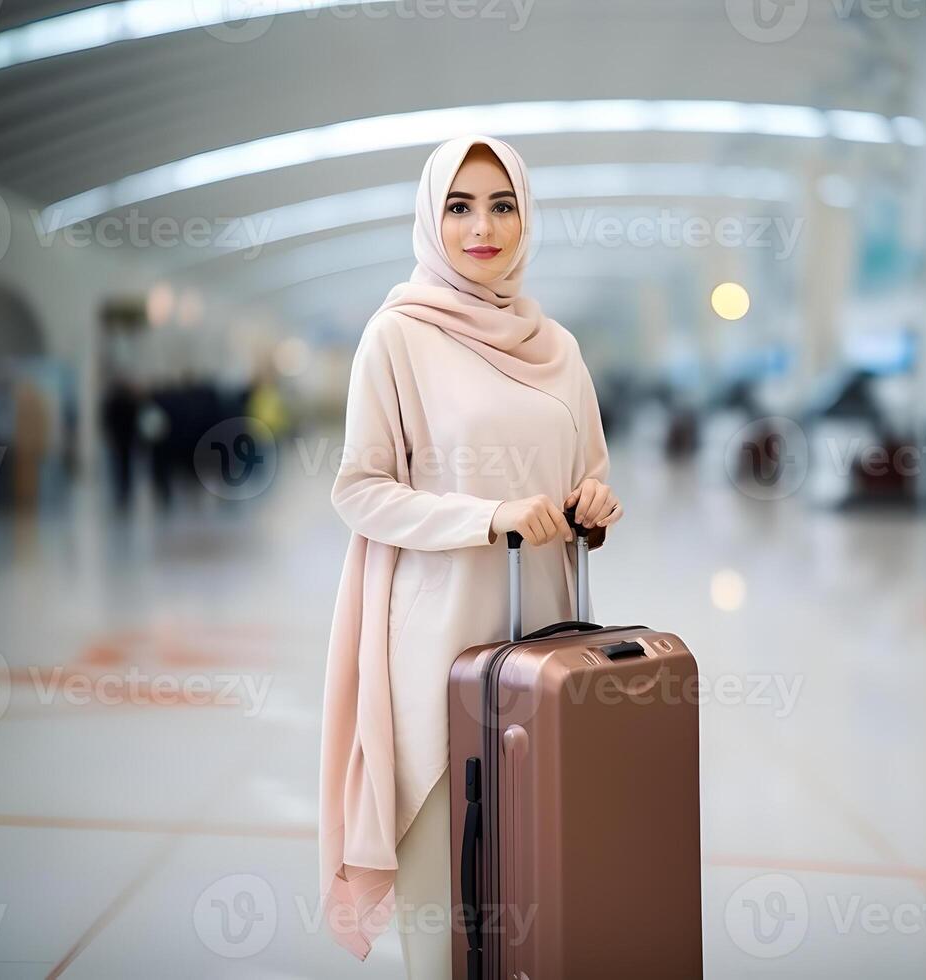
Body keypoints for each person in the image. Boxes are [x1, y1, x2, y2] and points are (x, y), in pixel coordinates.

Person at [318, 135, 624, 978]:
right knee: (446, 919)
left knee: (547, 899)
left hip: (546, 650)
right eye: (459, 206)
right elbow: (359, 488)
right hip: (440, 653)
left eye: (501, 204)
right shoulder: (398, 337)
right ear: (431, 218)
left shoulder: (558, 348)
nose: (481, 226)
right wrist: (488, 518)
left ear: (526, 217)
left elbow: (587, 475)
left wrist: (591, 505)